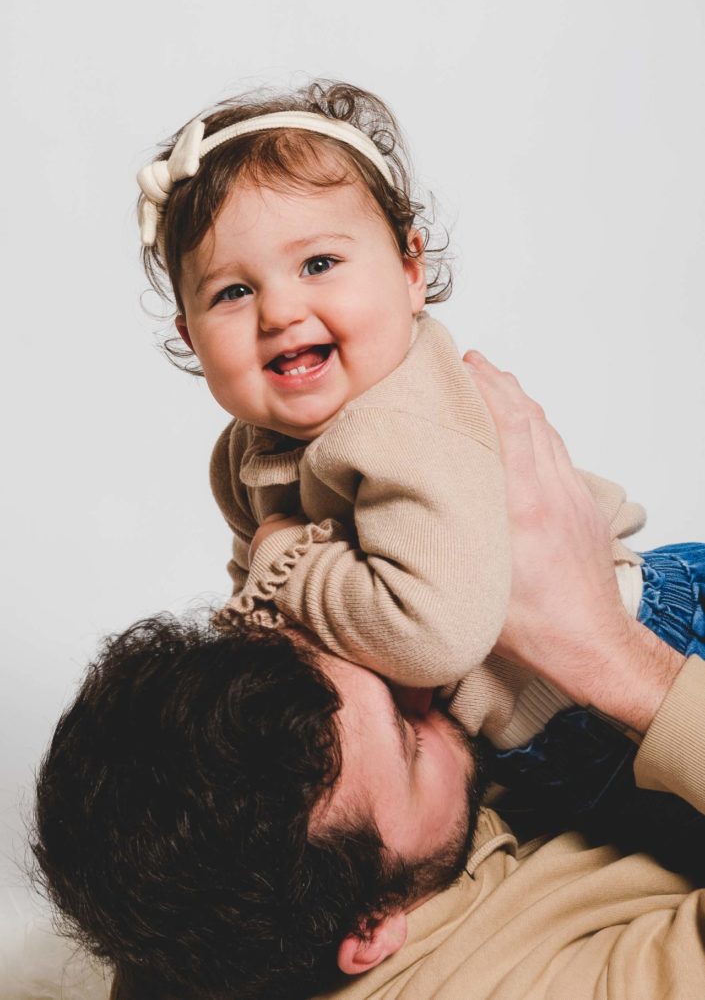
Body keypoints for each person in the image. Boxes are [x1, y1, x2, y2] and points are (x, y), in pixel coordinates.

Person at [32, 356, 705, 1000]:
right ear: (371, 928)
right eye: (409, 746)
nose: (417, 684)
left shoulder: (198, 914)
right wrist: (613, 658)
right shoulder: (573, 984)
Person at [135, 79, 705, 806]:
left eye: (318, 264)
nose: (278, 310)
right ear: (188, 333)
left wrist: (286, 561)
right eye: (231, 293)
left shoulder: (398, 419)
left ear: (410, 272)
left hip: (653, 644)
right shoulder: (243, 454)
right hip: (532, 726)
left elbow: (431, 639)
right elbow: (267, 610)